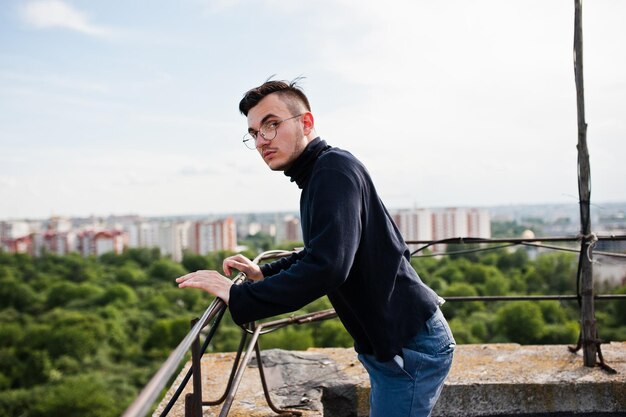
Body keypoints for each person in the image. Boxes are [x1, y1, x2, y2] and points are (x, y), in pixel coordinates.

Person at [176, 78, 455, 417]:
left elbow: (328, 266)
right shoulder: (320, 173)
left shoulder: (332, 169)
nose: (262, 140)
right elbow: (322, 251)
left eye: (271, 125)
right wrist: (264, 272)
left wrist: (239, 297)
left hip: (409, 345)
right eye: (254, 133)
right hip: (395, 340)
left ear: (306, 122)